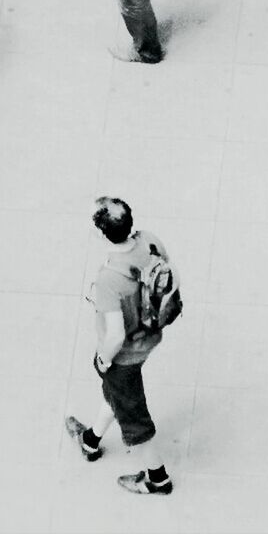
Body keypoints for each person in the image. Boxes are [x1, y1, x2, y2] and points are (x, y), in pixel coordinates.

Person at [65, 197, 176, 495]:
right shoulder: (150, 242)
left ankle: (158, 478)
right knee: (116, 395)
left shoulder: (109, 280)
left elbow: (114, 336)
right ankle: (90, 441)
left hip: (124, 356)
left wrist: (103, 359)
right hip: (149, 337)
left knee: (135, 420)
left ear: (102, 234)